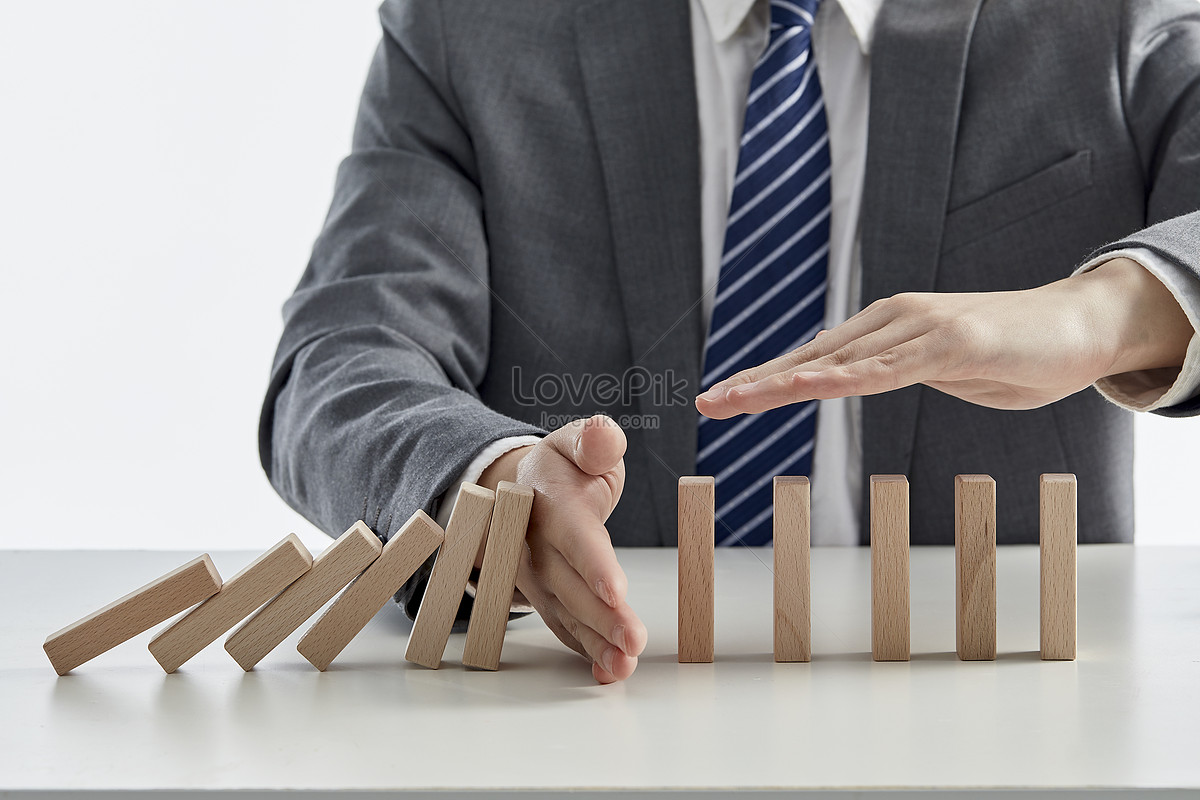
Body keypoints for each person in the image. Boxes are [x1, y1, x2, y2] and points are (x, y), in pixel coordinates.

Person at [259, 0, 1200, 684]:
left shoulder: (1114, 21)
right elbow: (340, 361)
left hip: (1003, 693)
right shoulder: (470, 31)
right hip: (584, 701)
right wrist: (494, 484)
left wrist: (1100, 313)